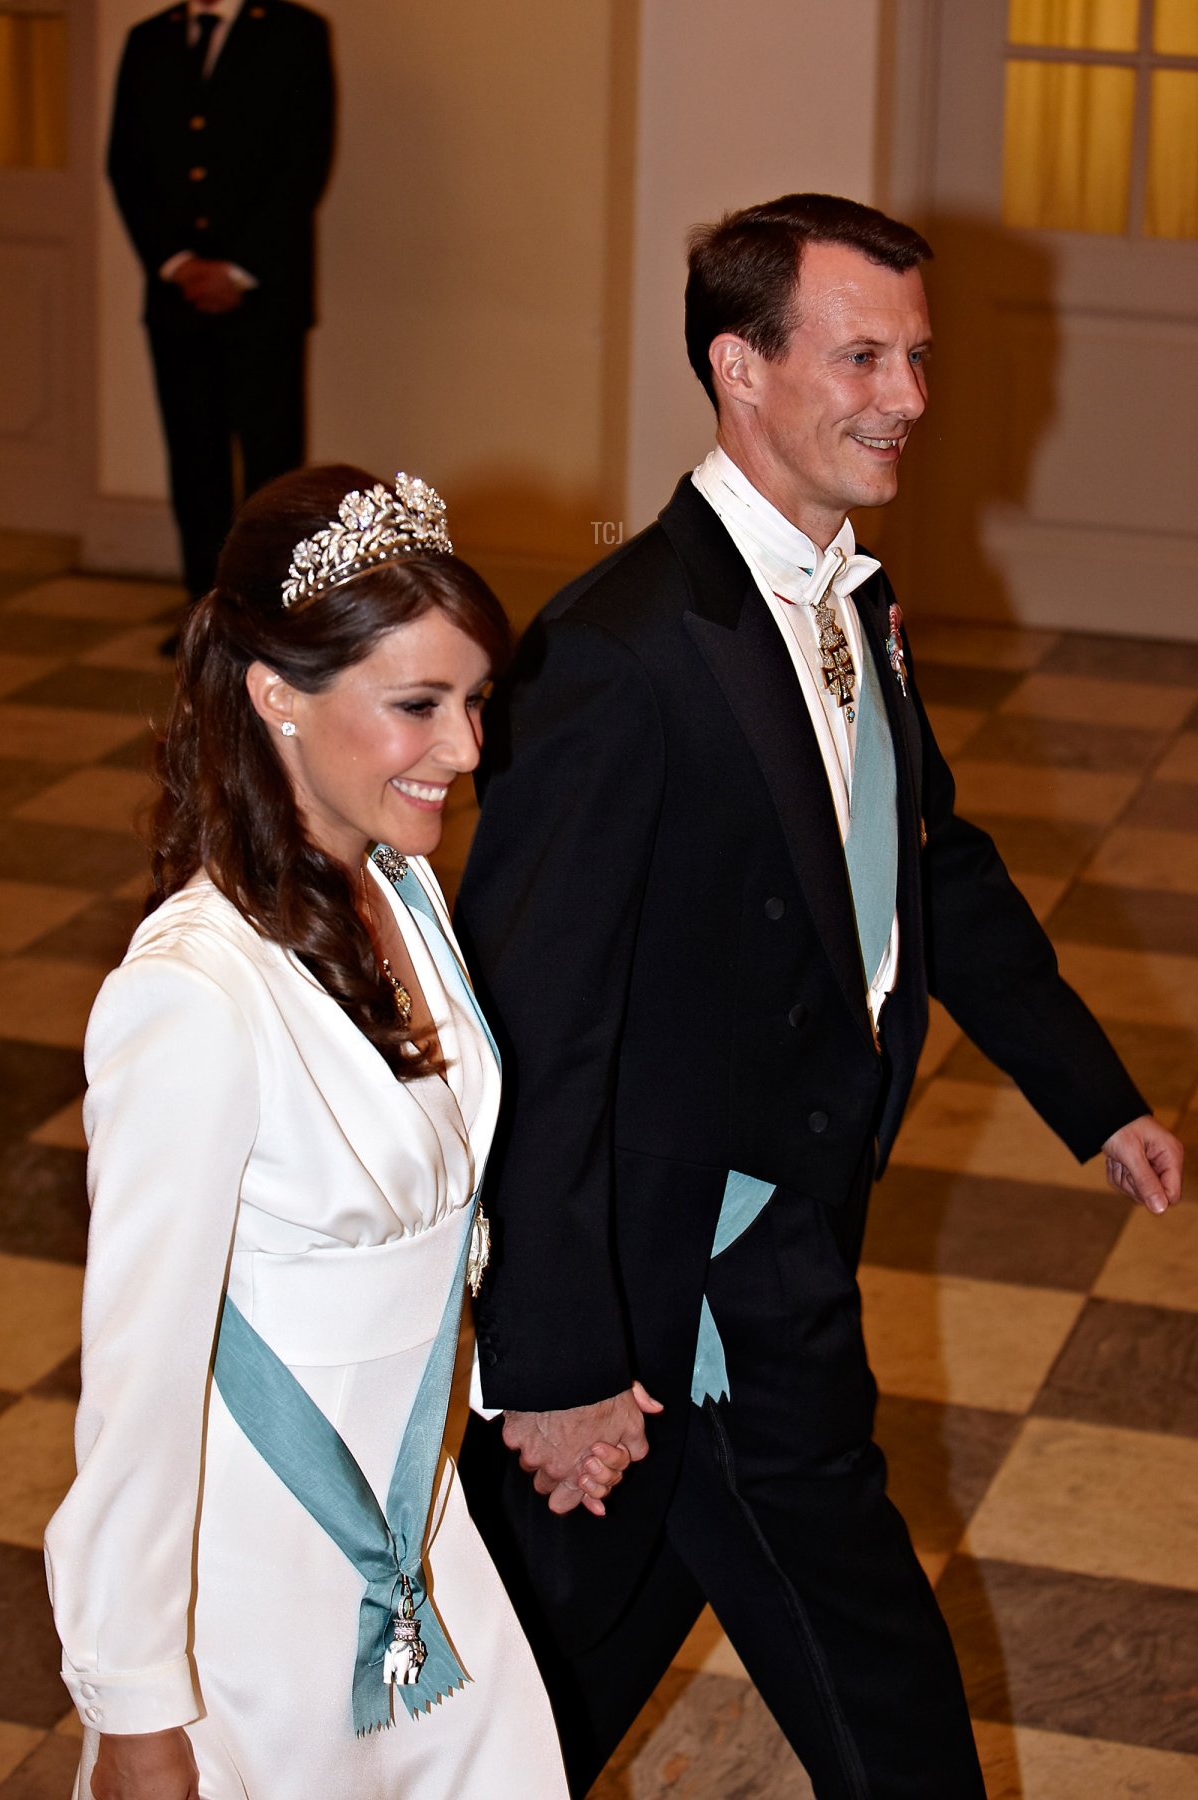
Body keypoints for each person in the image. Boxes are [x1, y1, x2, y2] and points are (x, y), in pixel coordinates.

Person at [454, 194, 1186, 1799]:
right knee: (873, 1678)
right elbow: (536, 1030)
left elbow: (931, 865)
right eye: (864, 355)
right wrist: (558, 1362)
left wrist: (1096, 1092)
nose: (912, 396)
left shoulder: (850, 599)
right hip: (693, 1283)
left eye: (916, 357)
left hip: (775, 1221)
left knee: (537, 1684)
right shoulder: (620, 652)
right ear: (742, 367)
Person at [43, 466, 578, 1799]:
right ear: (277, 692)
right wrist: (136, 1710)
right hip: (254, 1612)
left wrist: (540, 1379)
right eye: (419, 707)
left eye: (473, 703)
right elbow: (137, 1386)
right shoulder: (193, 998)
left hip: (420, 1553)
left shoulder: (406, 893)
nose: (465, 749)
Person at [107, 0, 334, 623]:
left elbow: (303, 159)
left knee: (272, 464)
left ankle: (275, 615)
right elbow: (126, 165)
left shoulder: (295, 34)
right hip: (175, 298)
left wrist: (235, 269)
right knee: (194, 460)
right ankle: (205, 615)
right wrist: (179, 263)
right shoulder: (149, 39)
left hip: (265, 295)